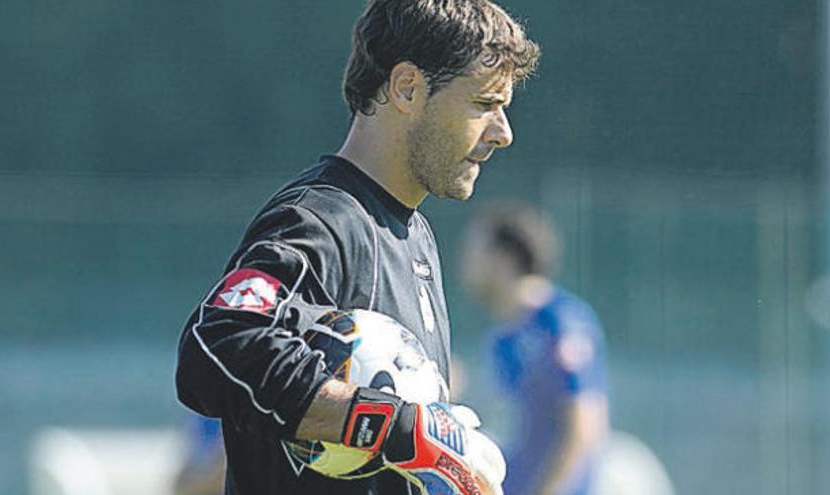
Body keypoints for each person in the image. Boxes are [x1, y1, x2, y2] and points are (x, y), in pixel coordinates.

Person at [174, 1, 540, 494]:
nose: (503, 133)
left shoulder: (416, 236)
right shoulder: (321, 220)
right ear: (407, 87)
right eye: (483, 104)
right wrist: (398, 427)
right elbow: (219, 342)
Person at [461, 202, 610, 495]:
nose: (465, 263)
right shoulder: (499, 337)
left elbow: (584, 427)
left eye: (474, 250)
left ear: (502, 258)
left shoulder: (561, 323)